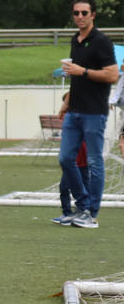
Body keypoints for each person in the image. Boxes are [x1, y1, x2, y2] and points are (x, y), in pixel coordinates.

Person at [57, 0, 120, 228]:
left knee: (94, 162)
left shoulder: (102, 41)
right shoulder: (76, 39)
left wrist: (82, 71)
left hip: (94, 112)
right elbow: (76, 76)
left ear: (93, 15)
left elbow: (113, 75)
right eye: (76, 13)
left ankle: (91, 213)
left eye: (84, 13)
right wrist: (66, 104)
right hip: (75, 111)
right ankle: (82, 205)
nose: (80, 17)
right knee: (65, 159)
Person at [52, 91, 93, 225]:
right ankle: (67, 212)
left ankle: (85, 212)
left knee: (84, 185)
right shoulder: (69, 119)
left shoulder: (82, 118)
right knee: (64, 187)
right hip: (72, 161)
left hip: (83, 160)